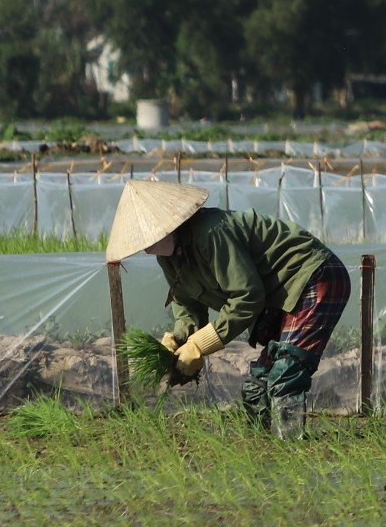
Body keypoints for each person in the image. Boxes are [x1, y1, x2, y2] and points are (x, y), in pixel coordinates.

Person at [105, 181, 349, 438]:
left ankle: (291, 448)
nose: (146, 246)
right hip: (278, 295)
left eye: (149, 235)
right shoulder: (168, 256)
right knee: (258, 386)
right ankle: (266, 448)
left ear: (169, 225)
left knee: (285, 375)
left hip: (314, 275)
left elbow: (247, 297)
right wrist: (178, 339)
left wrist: (200, 344)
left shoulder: (211, 234)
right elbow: (187, 303)